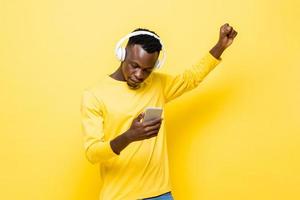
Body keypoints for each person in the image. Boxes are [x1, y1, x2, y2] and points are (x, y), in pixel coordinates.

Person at [80, 23, 237, 200]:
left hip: (160, 193)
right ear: (122, 54)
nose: (139, 74)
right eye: (134, 65)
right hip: (119, 195)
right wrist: (129, 136)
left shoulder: (157, 84)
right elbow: (92, 153)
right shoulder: (94, 95)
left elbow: (190, 79)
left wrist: (220, 46)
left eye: (147, 70)